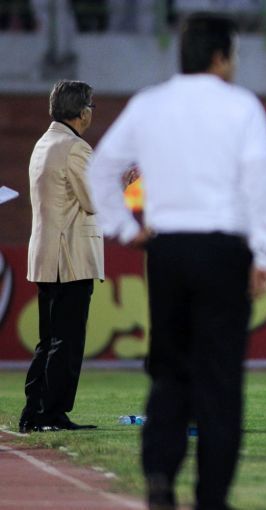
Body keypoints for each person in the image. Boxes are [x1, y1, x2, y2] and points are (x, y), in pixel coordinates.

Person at [87, 13, 266, 509]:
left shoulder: (149, 104)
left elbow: (101, 170)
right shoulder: (241, 106)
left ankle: (159, 477)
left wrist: (127, 229)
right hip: (224, 250)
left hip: (167, 249)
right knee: (220, 378)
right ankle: (211, 497)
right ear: (220, 56)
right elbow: (262, 181)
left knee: (169, 370)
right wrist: (265, 252)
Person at [19, 80, 101, 433]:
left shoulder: (43, 143)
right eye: (91, 106)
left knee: (49, 339)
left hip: (45, 255)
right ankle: (51, 414)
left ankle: (34, 410)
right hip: (70, 258)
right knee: (67, 341)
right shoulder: (75, 147)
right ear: (81, 112)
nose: (91, 113)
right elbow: (93, 200)